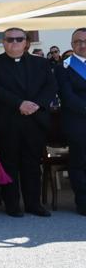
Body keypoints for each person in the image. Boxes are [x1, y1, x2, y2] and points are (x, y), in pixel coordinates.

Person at [0, 28, 58, 217]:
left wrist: (36, 105)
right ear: (3, 42)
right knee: (9, 163)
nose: (14, 42)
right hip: (7, 122)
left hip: (34, 120)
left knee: (32, 163)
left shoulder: (41, 63)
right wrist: (19, 104)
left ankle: (34, 204)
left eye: (19, 39)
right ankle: (12, 204)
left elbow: (51, 87)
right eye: (10, 39)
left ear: (26, 42)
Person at [57, 28, 86, 216]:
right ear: (71, 45)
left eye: (85, 41)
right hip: (77, 122)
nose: (82, 45)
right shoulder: (64, 66)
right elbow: (67, 96)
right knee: (80, 164)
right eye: (77, 42)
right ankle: (83, 203)